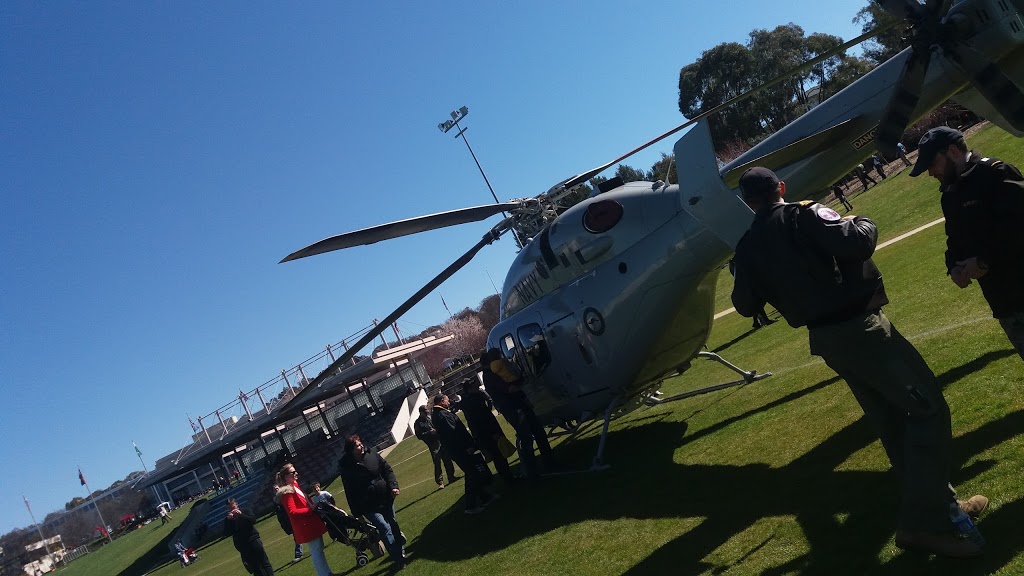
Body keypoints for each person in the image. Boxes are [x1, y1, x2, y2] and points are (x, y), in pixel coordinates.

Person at [730, 166, 989, 558]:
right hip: (862, 329)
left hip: (826, 341)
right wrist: (859, 218)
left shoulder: (747, 246)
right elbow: (859, 241)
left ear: (747, 202)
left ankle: (943, 508)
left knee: (891, 421)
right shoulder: (803, 213)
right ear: (780, 188)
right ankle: (921, 523)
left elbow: (745, 304)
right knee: (927, 410)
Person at [910, 126, 1024, 361]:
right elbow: (956, 239)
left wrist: (984, 261)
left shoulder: (995, 173)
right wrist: (953, 265)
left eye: (932, 164)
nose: (931, 173)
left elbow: (1017, 230)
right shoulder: (950, 194)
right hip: (1004, 302)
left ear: (952, 151)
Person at [482, 349, 556, 479]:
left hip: (519, 405)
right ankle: (532, 471)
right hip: (514, 409)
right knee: (527, 438)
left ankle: (547, 462)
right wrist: (519, 382)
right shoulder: (490, 376)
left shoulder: (497, 372)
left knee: (538, 432)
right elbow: (508, 388)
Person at [338, 435, 407, 569]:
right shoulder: (347, 468)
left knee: (393, 524)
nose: (361, 446)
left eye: (361, 443)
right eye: (357, 445)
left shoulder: (372, 455)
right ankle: (398, 559)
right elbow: (349, 491)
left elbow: (387, 469)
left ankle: (401, 551)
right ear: (351, 450)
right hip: (369, 505)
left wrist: (393, 485)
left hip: (386, 498)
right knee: (384, 528)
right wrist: (357, 513)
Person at [432, 394, 497, 514]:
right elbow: (455, 433)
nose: (449, 402)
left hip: (457, 450)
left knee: (471, 474)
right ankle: (470, 506)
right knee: (472, 474)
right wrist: (468, 446)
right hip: (461, 450)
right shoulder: (442, 415)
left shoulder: (438, 414)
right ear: (441, 401)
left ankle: (485, 497)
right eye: (447, 400)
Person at [275, 464, 336, 576]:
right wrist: (310, 509)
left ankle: (327, 573)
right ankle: (325, 574)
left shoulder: (296, 486)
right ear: (286, 477)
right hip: (306, 526)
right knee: (316, 551)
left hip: (311, 522)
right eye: (293, 473)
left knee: (319, 549)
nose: (296, 474)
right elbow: (292, 512)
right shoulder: (287, 493)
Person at [459, 377, 517, 483]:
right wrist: (492, 433)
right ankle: (509, 479)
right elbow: (480, 420)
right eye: (474, 385)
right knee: (498, 456)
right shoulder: (472, 401)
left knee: (498, 456)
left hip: (485, 432)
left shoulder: (470, 399)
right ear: (469, 388)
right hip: (488, 433)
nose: (477, 386)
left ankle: (508, 477)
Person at [224, 497, 274, 576]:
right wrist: (229, 521)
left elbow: (253, 520)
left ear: (236, 504)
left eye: (233, 507)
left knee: (264, 562)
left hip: (254, 540)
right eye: (229, 508)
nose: (232, 510)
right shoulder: (228, 519)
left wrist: (241, 515)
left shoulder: (245, 511)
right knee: (254, 567)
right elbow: (227, 533)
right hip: (243, 545)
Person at [413, 405, 458, 489]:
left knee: (447, 459)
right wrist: (429, 433)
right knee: (437, 463)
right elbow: (419, 436)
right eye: (425, 411)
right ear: (421, 412)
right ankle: (440, 482)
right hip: (432, 444)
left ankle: (451, 476)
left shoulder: (430, 417)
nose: (427, 413)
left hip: (440, 440)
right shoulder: (418, 423)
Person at [272, 483, 304, 563]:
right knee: (297, 535)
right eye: (274, 489)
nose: (276, 490)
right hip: (288, 521)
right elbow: (279, 515)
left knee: (299, 534)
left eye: (277, 488)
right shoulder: (276, 501)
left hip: (294, 517)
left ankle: (298, 554)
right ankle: (299, 553)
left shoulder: (285, 496)